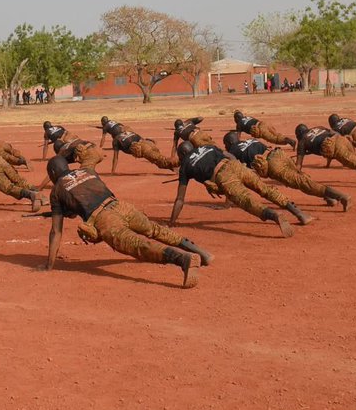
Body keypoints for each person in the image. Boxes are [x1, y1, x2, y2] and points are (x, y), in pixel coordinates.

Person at [41, 156, 211, 289]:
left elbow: (56, 231)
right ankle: (200, 252)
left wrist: (49, 265)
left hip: (104, 218)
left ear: (53, 174)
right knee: (154, 229)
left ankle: (183, 259)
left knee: (137, 245)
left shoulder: (56, 190)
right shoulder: (88, 171)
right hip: (121, 206)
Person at [168, 142, 310, 236]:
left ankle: (275, 216)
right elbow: (229, 155)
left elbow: (180, 199)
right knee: (264, 188)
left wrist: (172, 222)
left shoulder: (185, 165)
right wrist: (239, 167)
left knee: (247, 201)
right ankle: (299, 213)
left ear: (181, 155)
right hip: (235, 165)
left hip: (222, 176)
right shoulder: (207, 146)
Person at [223, 131, 350, 211]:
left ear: (229, 143)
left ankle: (341, 196)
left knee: (302, 183)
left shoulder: (232, 151)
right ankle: (328, 197)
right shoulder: (251, 140)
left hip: (273, 164)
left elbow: (234, 175)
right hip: (279, 153)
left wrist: (227, 202)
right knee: (301, 176)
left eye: (225, 144)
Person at [107, 121, 179, 172]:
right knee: (159, 161)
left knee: (161, 160)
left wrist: (112, 171)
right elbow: (142, 139)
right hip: (148, 144)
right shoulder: (130, 133)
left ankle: (181, 162)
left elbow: (115, 157)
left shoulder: (116, 140)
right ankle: (173, 167)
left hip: (143, 149)